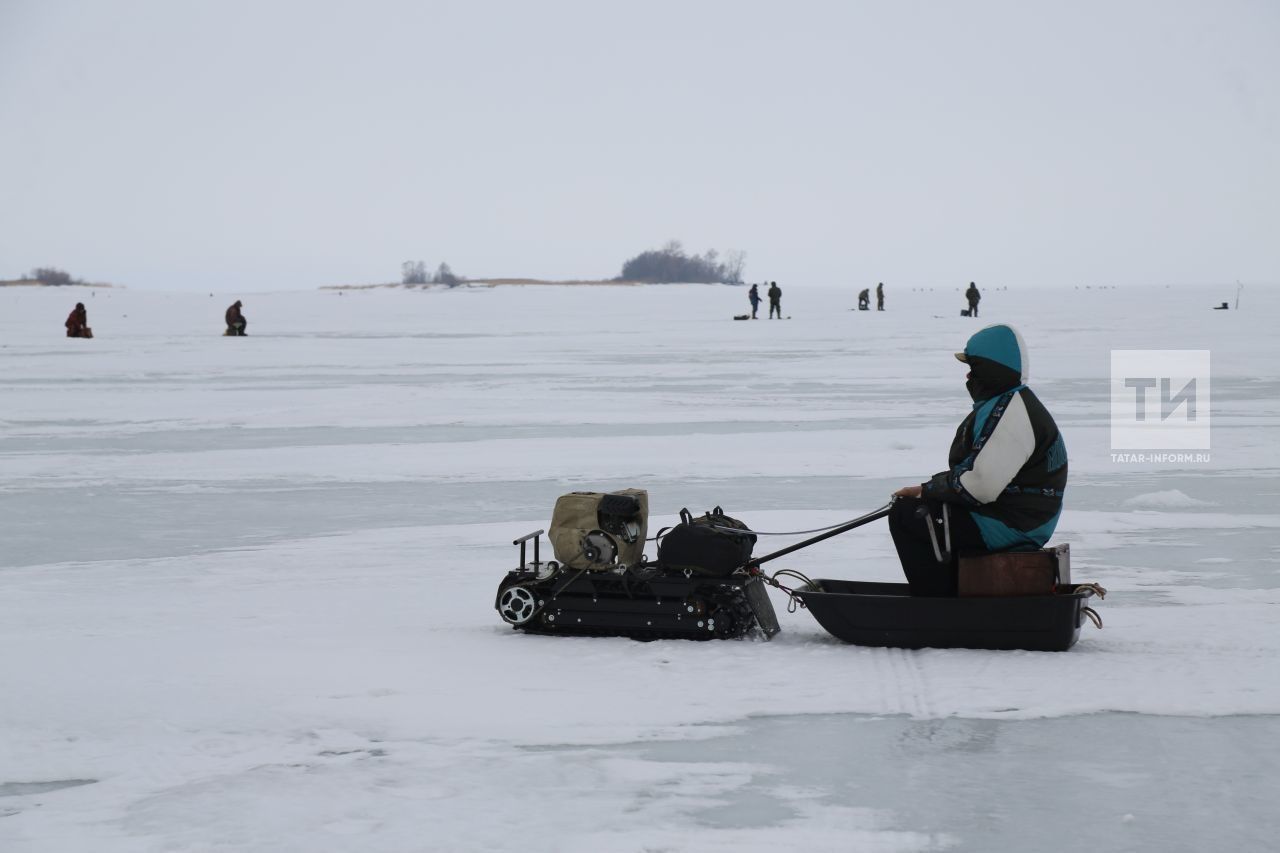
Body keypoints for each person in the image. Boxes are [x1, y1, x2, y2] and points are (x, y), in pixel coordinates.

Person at [889, 324, 1068, 596]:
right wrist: (927, 490)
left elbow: (980, 486)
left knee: (910, 516)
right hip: (1011, 514)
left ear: (990, 370)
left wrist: (929, 491)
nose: (968, 375)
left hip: (1016, 523)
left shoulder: (1013, 412)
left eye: (973, 367)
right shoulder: (1007, 403)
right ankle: (950, 591)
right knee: (918, 507)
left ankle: (937, 605)